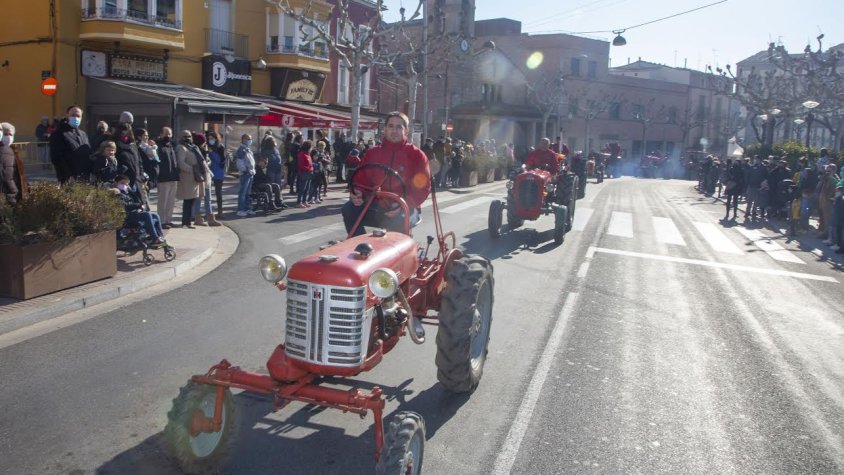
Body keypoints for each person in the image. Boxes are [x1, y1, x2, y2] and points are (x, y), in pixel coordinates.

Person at [342, 111, 431, 236]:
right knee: (349, 209)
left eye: (398, 127)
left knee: (398, 222)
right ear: (384, 129)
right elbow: (361, 180)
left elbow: (423, 187)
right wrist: (357, 193)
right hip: (378, 204)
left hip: (406, 207)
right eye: (390, 126)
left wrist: (403, 203)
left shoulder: (416, 155)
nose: (394, 130)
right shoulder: (373, 153)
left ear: (405, 131)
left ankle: (398, 252)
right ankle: (361, 245)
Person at [113, 174, 165, 244]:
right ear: (116, 183)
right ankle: (155, 238)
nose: (124, 185)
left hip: (134, 213)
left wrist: (131, 192)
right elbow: (125, 205)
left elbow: (138, 201)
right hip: (127, 215)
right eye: (122, 183)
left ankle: (160, 236)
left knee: (155, 215)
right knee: (147, 215)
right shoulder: (117, 193)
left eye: (126, 184)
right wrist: (138, 205)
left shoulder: (128, 192)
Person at [49, 105, 90, 184]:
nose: (75, 118)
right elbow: (56, 157)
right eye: (73, 115)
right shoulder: (59, 133)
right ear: (67, 116)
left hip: (84, 177)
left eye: (78, 116)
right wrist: (68, 175)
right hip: (68, 178)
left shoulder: (83, 134)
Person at [175, 130, 206, 228]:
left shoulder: (194, 147)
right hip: (188, 178)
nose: (187, 138)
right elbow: (181, 163)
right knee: (188, 201)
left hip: (196, 178)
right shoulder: (181, 148)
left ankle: (188, 222)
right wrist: (192, 170)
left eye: (189, 136)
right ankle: (186, 222)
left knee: (192, 200)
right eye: (185, 136)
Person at [190, 133, 220, 226]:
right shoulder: (197, 150)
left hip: (204, 176)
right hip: (201, 177)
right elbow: (203, 163)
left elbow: (206, 162)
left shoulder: (201, 150)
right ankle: (199, 218)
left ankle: (209, 217)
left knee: (206, 198)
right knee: (200, 198)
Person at [156, 127, 179, 228]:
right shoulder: (157, 146)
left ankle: (168, 220)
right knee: (163, 201)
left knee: (171, 201)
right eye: (166, 134)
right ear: (161, 134)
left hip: (173, 177)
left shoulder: (172, 145)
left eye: (170, 134)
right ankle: (161, 221)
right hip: (163, 178)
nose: (168, 136)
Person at [1, 122, 26, 204]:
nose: (8, 137)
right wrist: (13, 192)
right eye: (5, 134)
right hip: (10, 195)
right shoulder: (4, 151)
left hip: (14, 194)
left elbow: (20, 173)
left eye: (10, 134)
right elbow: (5, 176)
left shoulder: (14, 151)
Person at [235, 134, 256, 217]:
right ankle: (241, 209)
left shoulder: (247, 149)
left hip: (250, 173)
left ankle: (247, 208)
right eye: (248, 139)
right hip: (245, 174)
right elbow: (239, 162)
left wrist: (252, 170)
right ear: (243, 139)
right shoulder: (241, 150)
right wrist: (245, 170)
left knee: (248, 192)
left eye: (250, 139)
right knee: (243, 192)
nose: (250, 140)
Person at [207, 131, 227, 219]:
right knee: (207, 194)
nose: (210, 140)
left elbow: (221, 160)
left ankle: (220, 212)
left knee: (218, 193)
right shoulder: (206, 146)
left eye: (212, 138)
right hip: (208, 172)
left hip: (218, 172)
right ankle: (208, 211)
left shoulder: (220, 147)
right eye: (209, 138)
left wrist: (211, 153)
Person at [743, 155, 768, 219]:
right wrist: (747, 184)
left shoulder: (764, 168)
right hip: (751, 186)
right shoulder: (752, 167)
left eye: (757, 159)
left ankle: (754, 212)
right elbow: (747, 176)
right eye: (755, 159)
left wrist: (763, 185)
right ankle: (747, 212)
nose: (755, 160)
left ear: (760, 160)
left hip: (759, 186)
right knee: (749, 200)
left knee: (756, 201)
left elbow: (766, 177)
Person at [296, 140, 314, 208]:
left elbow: (310, 163)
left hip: (309, 172)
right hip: (304, 173)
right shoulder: (302, 154)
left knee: (307, 188)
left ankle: (304, 201)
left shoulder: (308, 154)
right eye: (311, 147)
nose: (311, 148)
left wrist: (311, 168)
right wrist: (309, 169)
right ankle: (299, 202)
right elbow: (301, 165)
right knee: (302, 188)